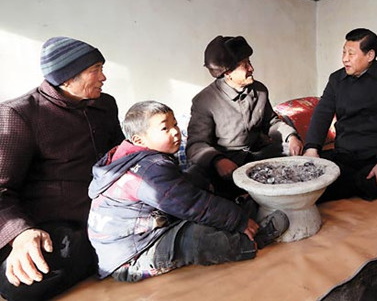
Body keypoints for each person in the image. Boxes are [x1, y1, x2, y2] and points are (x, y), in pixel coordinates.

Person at [87, 101, 289, 282]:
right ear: (139, 140)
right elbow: (191, 204)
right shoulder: (148, 171)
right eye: (165, 128)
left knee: (198, 177)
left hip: (143, 233)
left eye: (174, 124)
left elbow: (181, 191)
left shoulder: (131, 157)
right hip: (133, 256)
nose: (175, 131)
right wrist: (238, 220)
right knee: (195, 237)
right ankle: (251, 241)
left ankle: (238, 214)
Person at [0, 37, 124, 300]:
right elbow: (1, 189)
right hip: (53, 225)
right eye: (95, 70)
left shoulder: (106, 104)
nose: (104, 77)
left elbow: (120, 155)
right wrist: (20, 234)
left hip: (109, 212)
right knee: (18, 286)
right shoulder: (19, 114)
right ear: (67, 79)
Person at [303, 28, 377, 202]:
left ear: (370, 55)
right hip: (344, 156)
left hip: (376, 154)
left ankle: (355, 183)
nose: (345, 58)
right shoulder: (336, 80)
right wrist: (312, 148)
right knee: (309, 165)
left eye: (351, 53)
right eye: (344, 52)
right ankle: (376, 185)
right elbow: (322, 113)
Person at [186, 35, 303, 199]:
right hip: (227, 162)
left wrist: (290, 137)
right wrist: (218, 161)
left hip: (256, 156)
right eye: (245, 65)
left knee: (300, 159)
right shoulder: (204, 101)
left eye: (250, 62)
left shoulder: (260, 90)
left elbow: (271, 123)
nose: (252, 68)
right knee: (193, 180)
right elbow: (196, 144)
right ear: (228, 73)